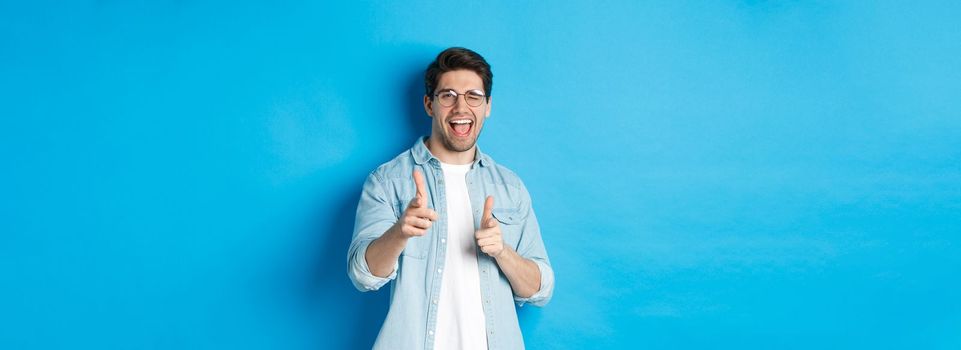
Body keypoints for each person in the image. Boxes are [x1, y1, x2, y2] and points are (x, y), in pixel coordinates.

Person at [347, 47, 554, 349]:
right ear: (429, 104)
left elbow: (540, 289)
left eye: (473, 96)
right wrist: (399, 233)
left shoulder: (510, 186)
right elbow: (362, 275)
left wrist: (501, 252)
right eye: (448, 96)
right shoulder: (387, 181)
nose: (461, 108)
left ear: (488, 106)